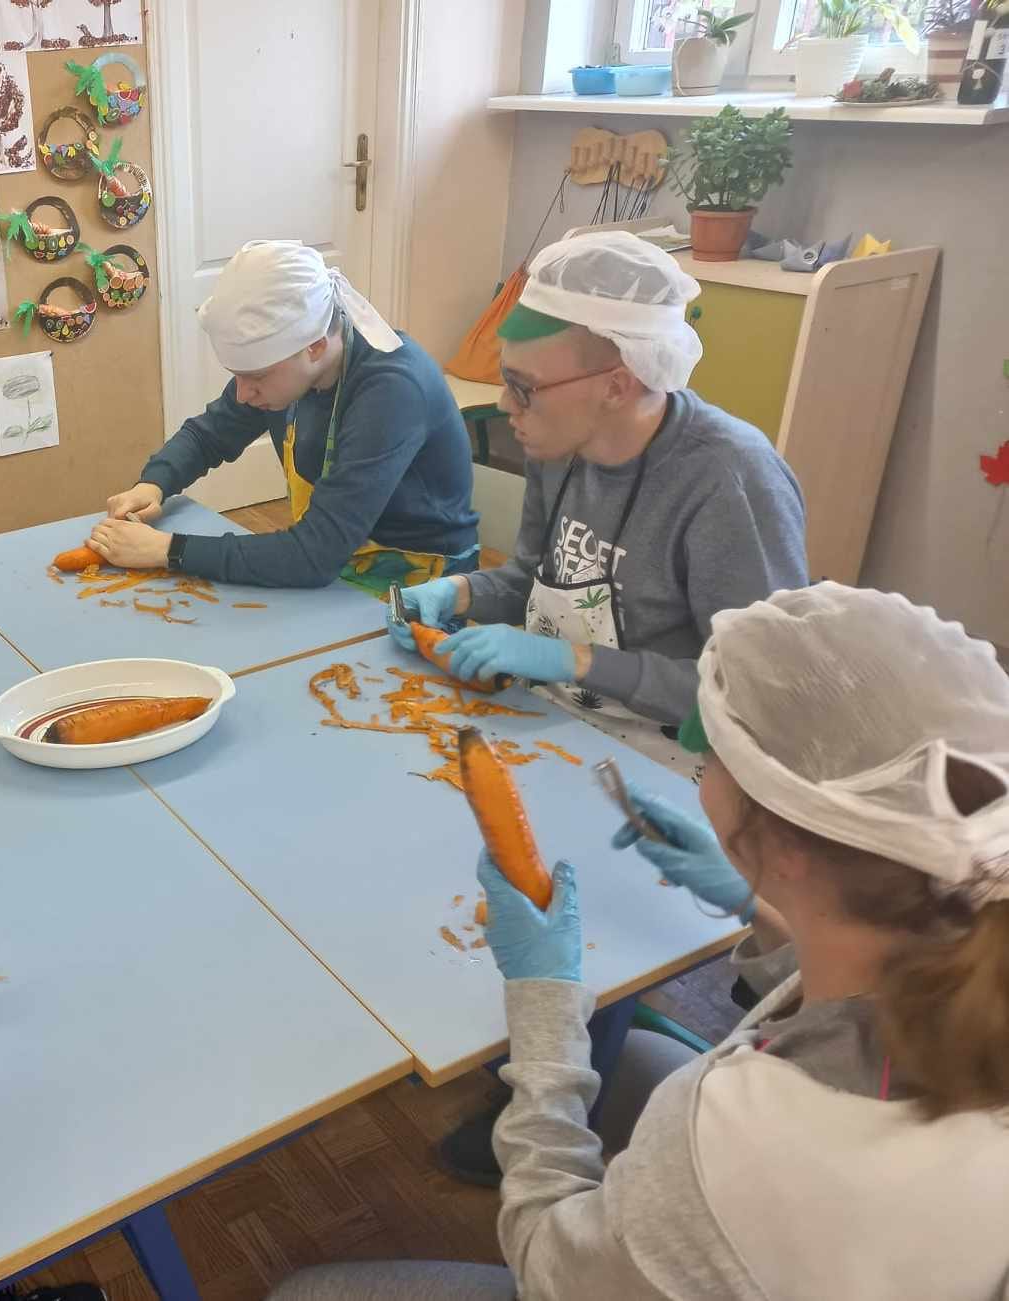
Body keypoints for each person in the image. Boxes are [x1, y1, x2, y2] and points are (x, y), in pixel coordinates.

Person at [275, 583, 1009, 1300]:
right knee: (638, 1059)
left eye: (711, 754)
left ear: (786, 845)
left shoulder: (745, 1139)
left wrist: (544, 1004)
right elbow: (860, 1005)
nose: (700, 765)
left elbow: (546, 1262)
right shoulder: (965, 930)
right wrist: (757, 903)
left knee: (305, 1294)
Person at [391, 231, 807, 743]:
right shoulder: (559, 444)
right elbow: (534, 578)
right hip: (556, 714)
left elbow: (756, 692)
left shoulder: (730, 481)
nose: (504, 404)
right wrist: (458, 593)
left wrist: (577, 661)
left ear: (617, 385)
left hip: (670, 749)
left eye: (523, 387)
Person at [95, 240, 478, 591]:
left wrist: (167, 550)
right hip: (335, 558)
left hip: (417, 584)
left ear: (315, 347)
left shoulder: (392, 391)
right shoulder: (289, 369)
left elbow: (315, 556)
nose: (243, 394)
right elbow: (208, 435)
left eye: (256, 377)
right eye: (237, 376)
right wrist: (154, 484)